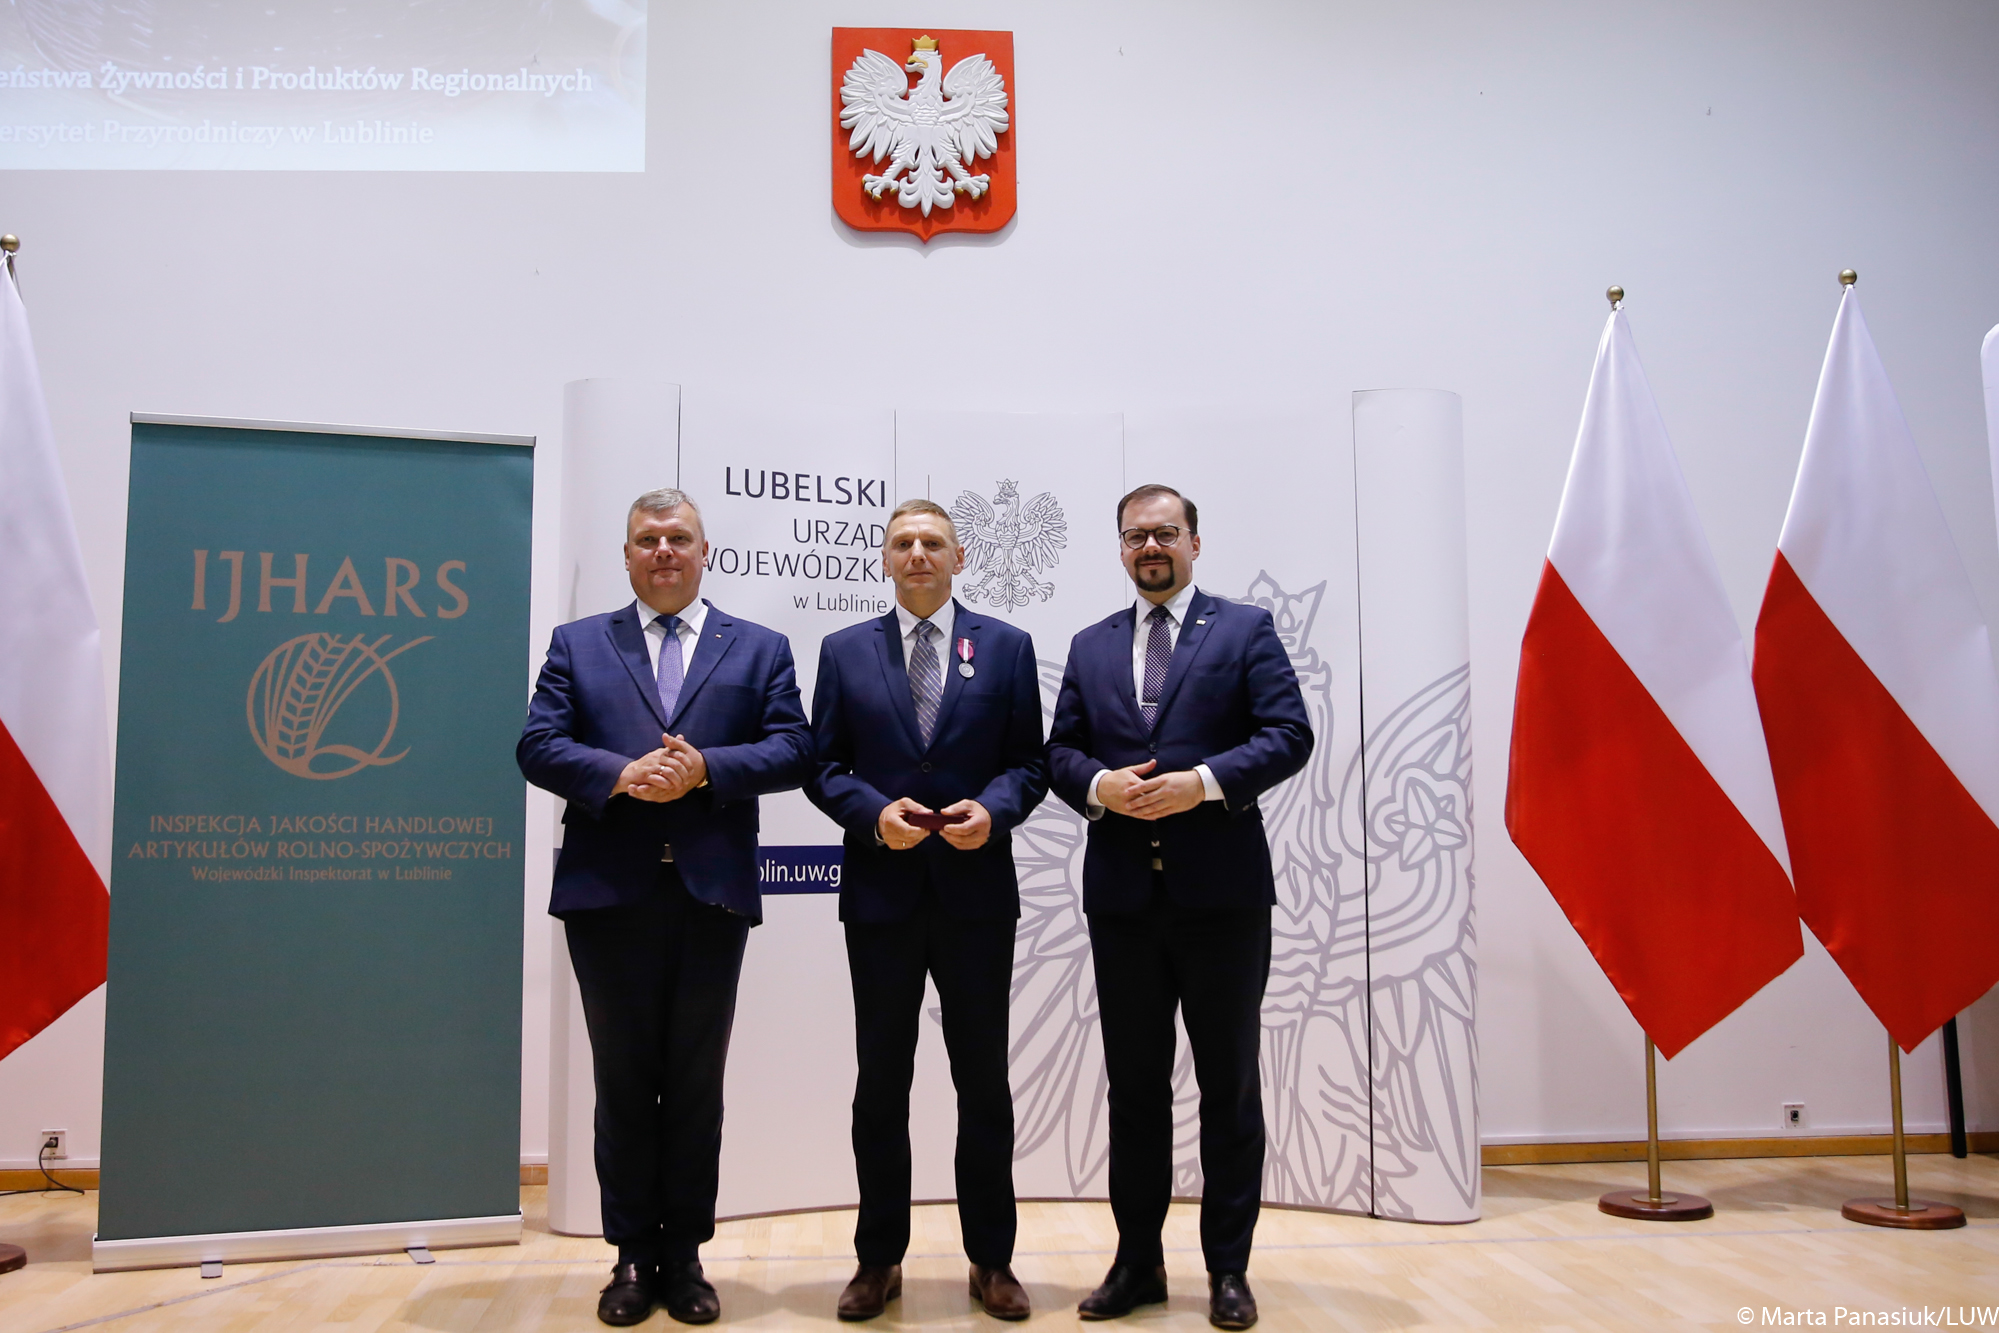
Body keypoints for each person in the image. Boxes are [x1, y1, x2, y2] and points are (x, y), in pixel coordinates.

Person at [517, 488, 814, 1327]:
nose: (663, 551)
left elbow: (794, 747)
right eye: (647, 539)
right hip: (607, 895)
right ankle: (628, 1258)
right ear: (626, 554)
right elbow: (537, 743)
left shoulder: (758, 647)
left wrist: (705, 768)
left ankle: (683, 1256)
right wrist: (619, 774)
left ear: (704, 549)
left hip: (711, 892)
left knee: (693, 1082)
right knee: (621, 1081)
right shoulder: (578, 643)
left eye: (678, 537)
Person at [1046, 484, 1312, 1330]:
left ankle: (1227, 1269)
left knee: (1228, 1086)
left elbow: (1288, 734)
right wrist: (1098, 786)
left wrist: (1202, 783)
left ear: (1195, 542)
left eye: (1164, 533)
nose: (1150, 547)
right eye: (1135, 536)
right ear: (1120, 548)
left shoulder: (1244, 630)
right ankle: (1137, 1262)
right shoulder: (1090, 644)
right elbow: (1059, 750)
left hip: (1223, 900)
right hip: (1123, 902)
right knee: (1133, 1089)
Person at [806, 498, 1048, 1322]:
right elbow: (823, 766)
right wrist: (872, 814)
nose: (917, 553)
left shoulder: (1006, 647)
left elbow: (1029, 763)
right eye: (903, 542)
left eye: (932, 542)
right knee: (881, 1081)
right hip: (881, 894)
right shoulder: (843, 650)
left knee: (983, 1082)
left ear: (959, 556)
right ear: (884, 558)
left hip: (977, 896)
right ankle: (878, 1258)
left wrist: (996, 809)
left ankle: (992, 1258)